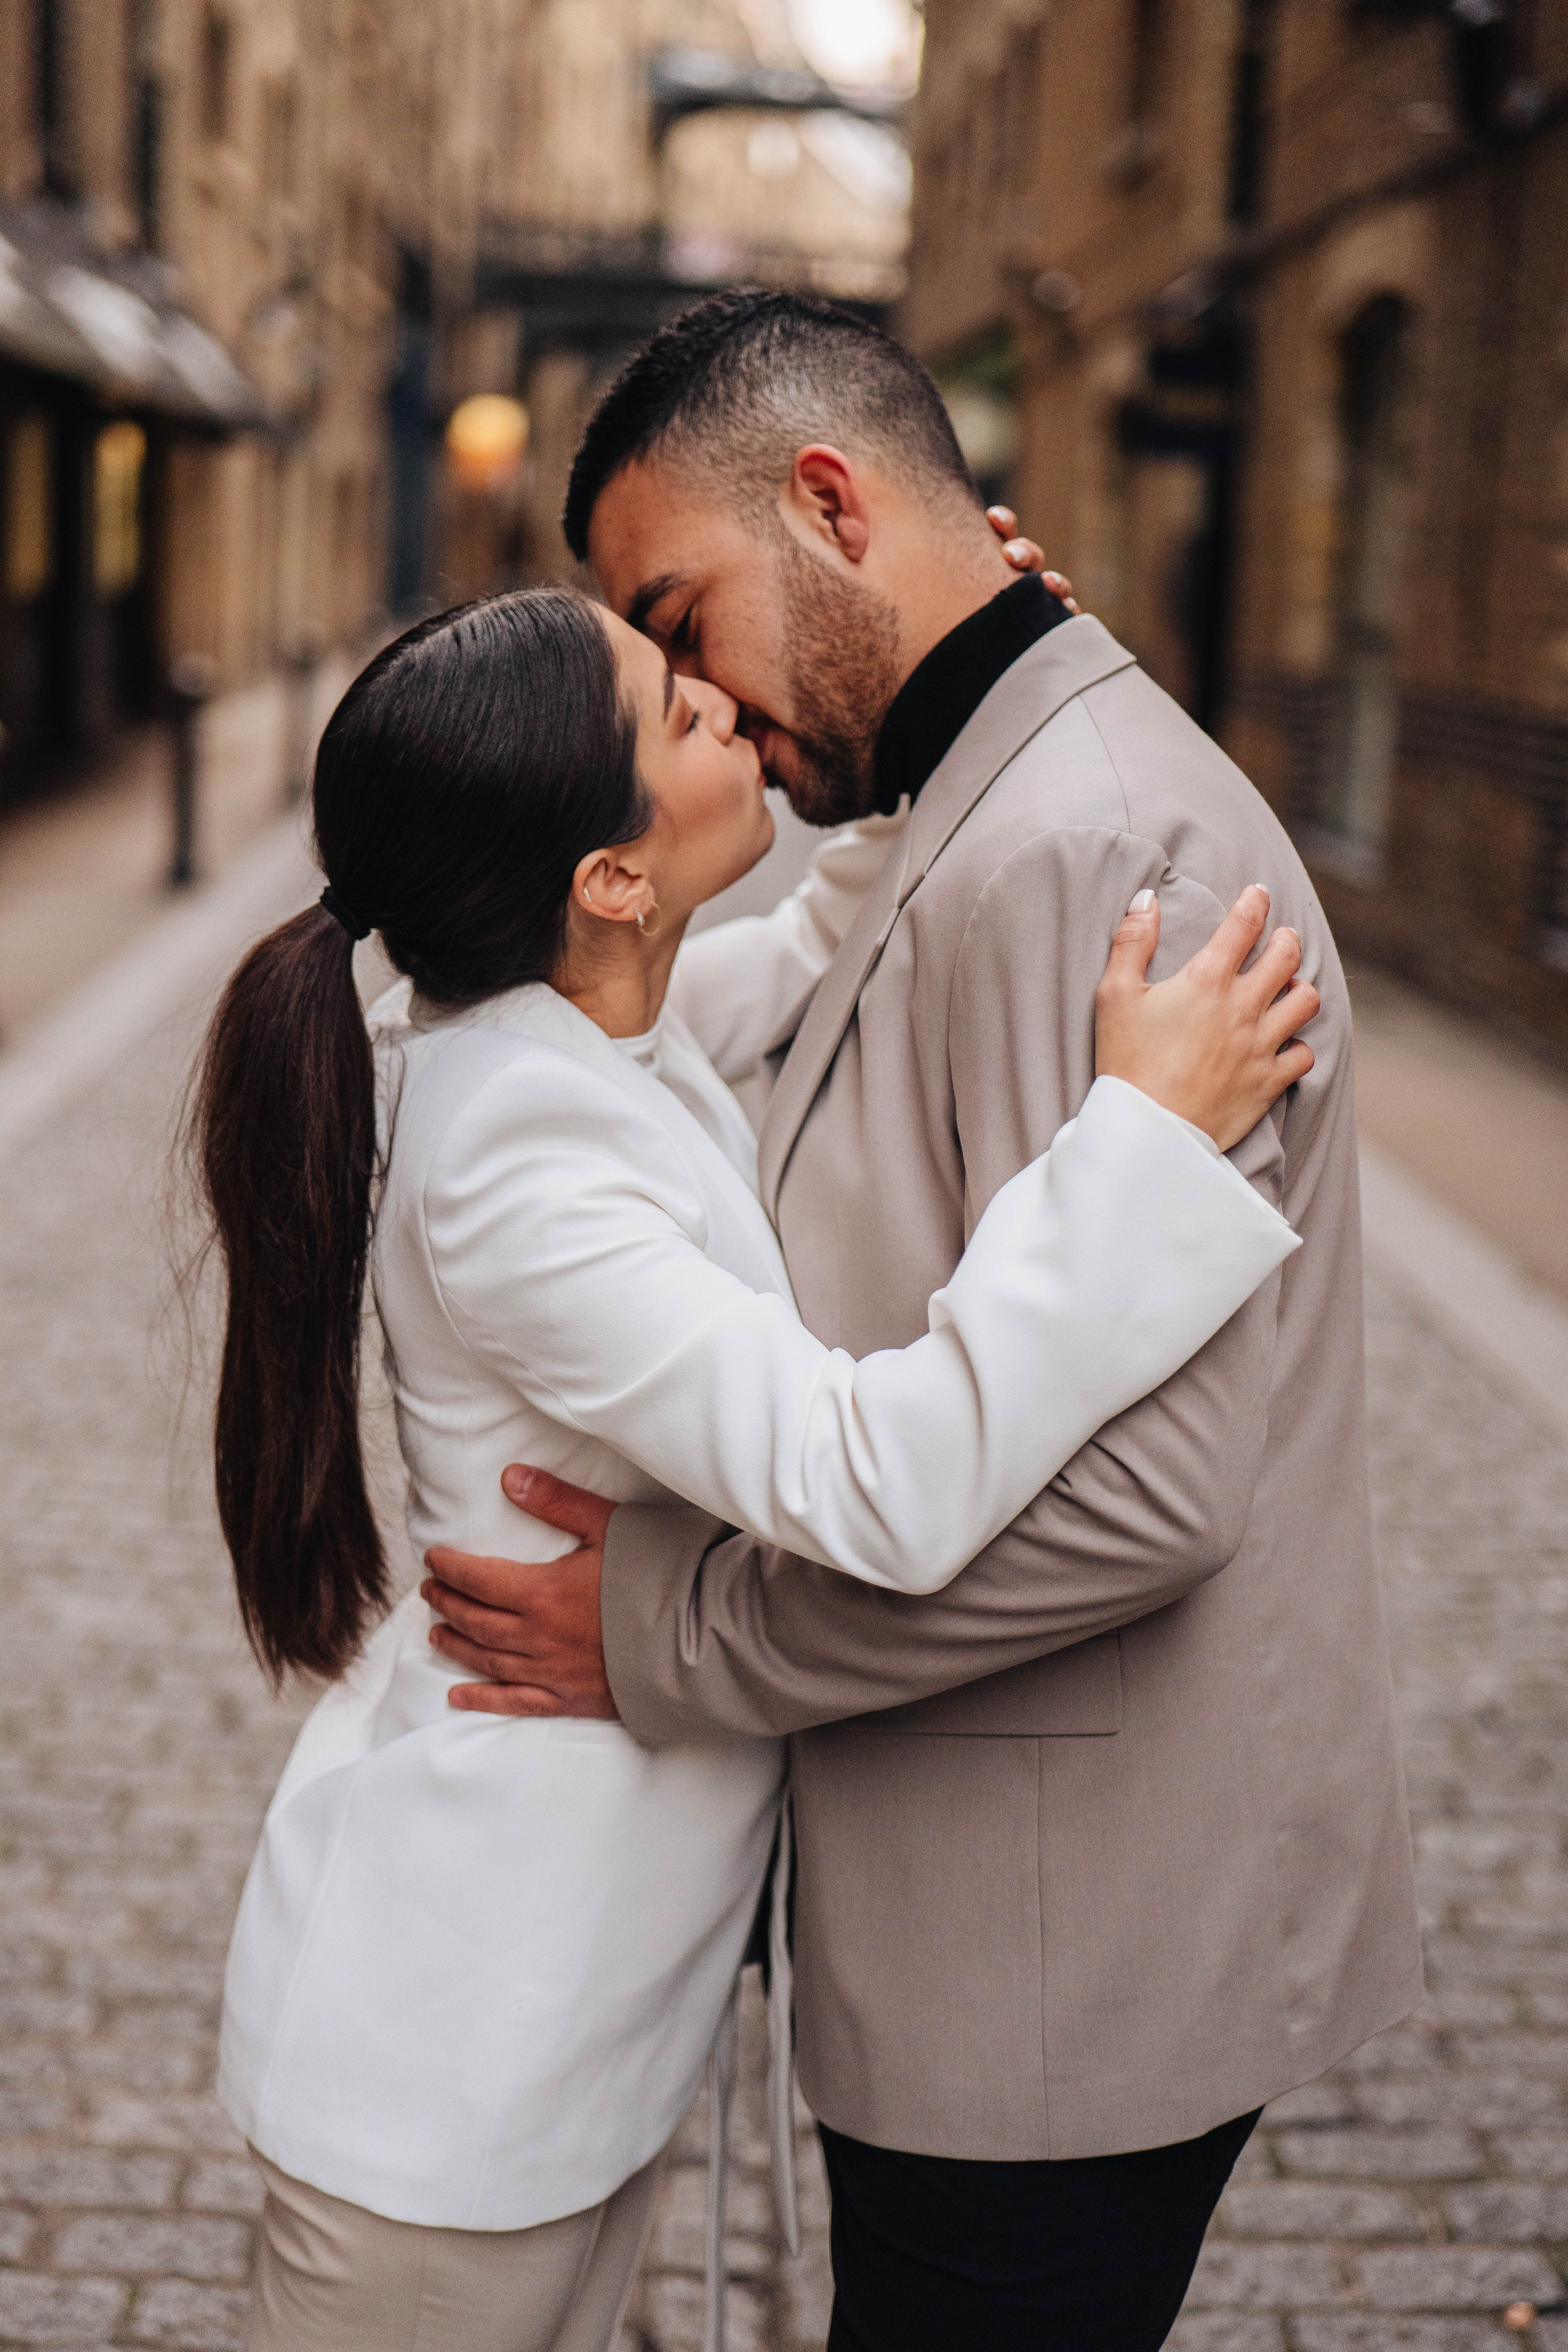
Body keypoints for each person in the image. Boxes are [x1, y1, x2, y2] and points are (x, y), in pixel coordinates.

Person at [421, 290, 1426, 2352]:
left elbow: (1140, 1505)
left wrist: (663, 1636)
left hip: (1059, 1965)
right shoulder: (974, 801)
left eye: (682, 620)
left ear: (826, 505)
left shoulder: (1102, 850)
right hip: (985, 1928)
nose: (689, 698)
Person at [192, 576, 1310, 2352]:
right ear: (609, 881)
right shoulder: (523, 1166)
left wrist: (935, 682)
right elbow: (876, 1479)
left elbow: (793, 970)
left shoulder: (579, 1030)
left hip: (560, 2037)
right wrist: (1144, 1150)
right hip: (456, 2064)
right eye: (675, 708)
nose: (721, 698)